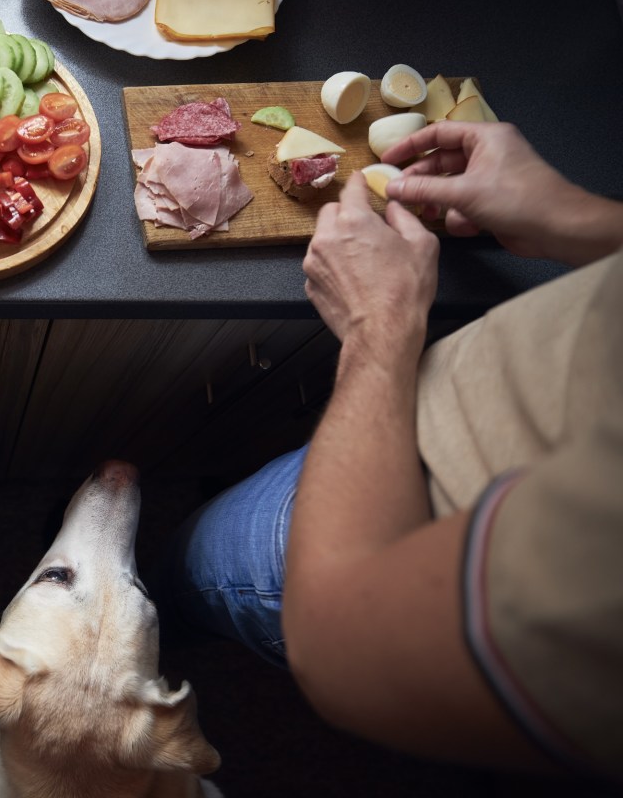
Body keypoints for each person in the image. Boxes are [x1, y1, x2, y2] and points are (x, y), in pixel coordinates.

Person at [162, 121, 623, 784]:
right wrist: (570, 216)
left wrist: (377, 328)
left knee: (193, 558)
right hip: (422, 410)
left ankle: (160, 618)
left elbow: (343, 652)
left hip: (376, 540)